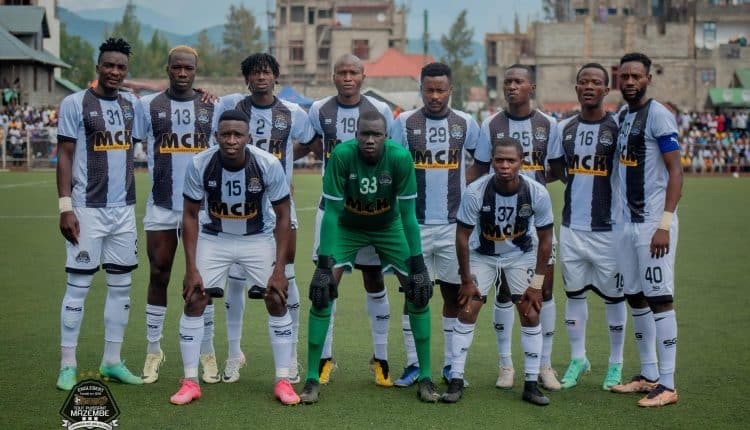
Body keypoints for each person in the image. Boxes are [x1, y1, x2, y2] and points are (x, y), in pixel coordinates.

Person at [299, 110, 440, 404]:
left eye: (377, 135)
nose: (370, 140)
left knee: (418, 291)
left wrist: (418, 264)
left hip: (388, 227)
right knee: (322, 292)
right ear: (356, 135)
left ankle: (426, 376)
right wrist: (324, 265)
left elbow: (409, 216)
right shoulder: (341, 156)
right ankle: (312, 377)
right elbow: (331, 213)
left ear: (386, 136)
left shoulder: (400, 158)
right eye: (365, 134)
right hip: (348, 227)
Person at [170, 109, 298, 405]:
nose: (231, 140)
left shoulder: (267, 164)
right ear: (216, 136)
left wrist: (280, 269)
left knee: (276, 297)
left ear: (248, 137)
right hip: (215, 237)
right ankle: (190, 381)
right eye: (225, 134)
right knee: (195, 298)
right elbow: (190, 215)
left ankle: (283, 380)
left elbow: (283, 216)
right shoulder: (200, 164)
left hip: (257, 238)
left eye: (237, 135)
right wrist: (191, 268)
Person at [214, 53, 315, 384]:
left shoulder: (293, 112)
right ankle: (233, 354)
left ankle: (292, 355)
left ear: (276, 77)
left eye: (267, 72)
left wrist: (284, 166)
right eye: (255, 72)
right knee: (235, 280)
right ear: (247, 78)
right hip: (238, 205)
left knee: (287, 276)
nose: (261, 77)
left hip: (278, 206)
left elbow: (310, 142)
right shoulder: (231, 108)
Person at [55, 38, 145, 390]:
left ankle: (112, 361)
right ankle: (67, 365)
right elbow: (65, 155)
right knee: (78, 287)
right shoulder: (75, 103)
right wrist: (65, 207)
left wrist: (202, 94)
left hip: (123, 211)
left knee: (121, 289)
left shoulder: (132, 105)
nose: (114, 71)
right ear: (98, 67)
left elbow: (170, 98)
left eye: (121, 67)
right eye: (109, 65)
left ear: (126, 71)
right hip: (86, 210)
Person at [468, 64, 562, 391]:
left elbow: (556, 169)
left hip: (537, 223)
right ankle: (506, 364)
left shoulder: (548, 125)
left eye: (518, 82)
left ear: (531, 87)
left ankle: (544, 365)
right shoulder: (491, 124)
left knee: (543, 292)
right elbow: (480, 170)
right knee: (505, 292)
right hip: (499, 223)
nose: (511, 87)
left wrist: (531, 189)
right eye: (507, 82)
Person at [388, 62, 479, 389]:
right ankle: (414, 363)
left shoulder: (466, 123)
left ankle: (452, 366)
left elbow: (482, 161)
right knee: (414, 293)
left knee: (454, 295)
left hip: (454, 226)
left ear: (451, 90)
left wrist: (465, 191)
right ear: (421, 90)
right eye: (429, 90)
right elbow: (392, 163)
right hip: (415, 224)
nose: (435, 96)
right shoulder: (404, 122)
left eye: (441, 90)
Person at [307, 53, 395, 386]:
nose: (347, 77)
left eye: (353, 72)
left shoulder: (380, 109)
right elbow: (313, 144)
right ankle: (325, 359)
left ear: (363, 76)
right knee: (327, 281)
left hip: (371, 211)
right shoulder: (319, 110)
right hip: (333, 209)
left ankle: (381, 358)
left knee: (374, 279)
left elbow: (389, 151)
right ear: (333, 76)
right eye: (341, 72)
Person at [453, 136, 554, 405]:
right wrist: (466, 279)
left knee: (530, 312)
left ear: (522, 162)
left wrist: (537, 283)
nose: (505, 166)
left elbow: (546, 240)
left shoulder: (536, 193)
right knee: (468, 308)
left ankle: (531, 384)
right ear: (492, 162)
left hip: (520, 254)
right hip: (483, 254)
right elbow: (462, 237)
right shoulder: (475, 191)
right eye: (499, 160)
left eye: (511, 160)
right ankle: (456, 379)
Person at [139, 45, 218, 384]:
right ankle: (153, 350)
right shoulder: (148, 106)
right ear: (168, 69)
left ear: (196, 71)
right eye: (177, 67)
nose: (182, 73)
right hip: (161, 204)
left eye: (189, 68)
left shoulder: (212, 106)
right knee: (159, 274)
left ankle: (207, 352)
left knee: (204, 280)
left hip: (202, 209)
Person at [547, 63, 627, 391]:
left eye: (596, 82)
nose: (589, 86)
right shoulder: (563, 128)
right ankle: (578, 358)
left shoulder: (618, 127)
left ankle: (616, 363)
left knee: (614, 298)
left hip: (610, 230)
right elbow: (556, 168)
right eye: (583, 82)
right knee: (574, 295)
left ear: (607, 89)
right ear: (577, 88)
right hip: (572, 228)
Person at [609, 52, 682, 407]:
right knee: (635, 297)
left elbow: (676, 171)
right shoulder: (623, 116)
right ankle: (648, 374)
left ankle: (667, 384)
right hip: (627, 225)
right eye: (624, 76)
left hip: (653, 224)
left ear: (648, 79)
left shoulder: (659, 115)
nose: (629, 81)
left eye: (636, 76)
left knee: (660, 298)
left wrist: (664, 224)